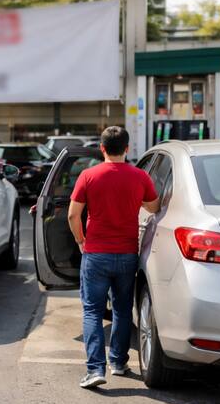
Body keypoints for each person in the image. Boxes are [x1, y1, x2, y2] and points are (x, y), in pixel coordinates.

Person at [68, 126, 159, 389]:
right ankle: (118, 362)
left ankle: (95, 369)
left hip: (96, 254)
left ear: (102, 148)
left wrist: (80, 240)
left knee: (92, 311)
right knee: (122, 309)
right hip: (127, 254)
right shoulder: (140, 176)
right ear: (127, 148)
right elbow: (154, 206)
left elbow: (73, 215)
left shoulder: (88, 175)